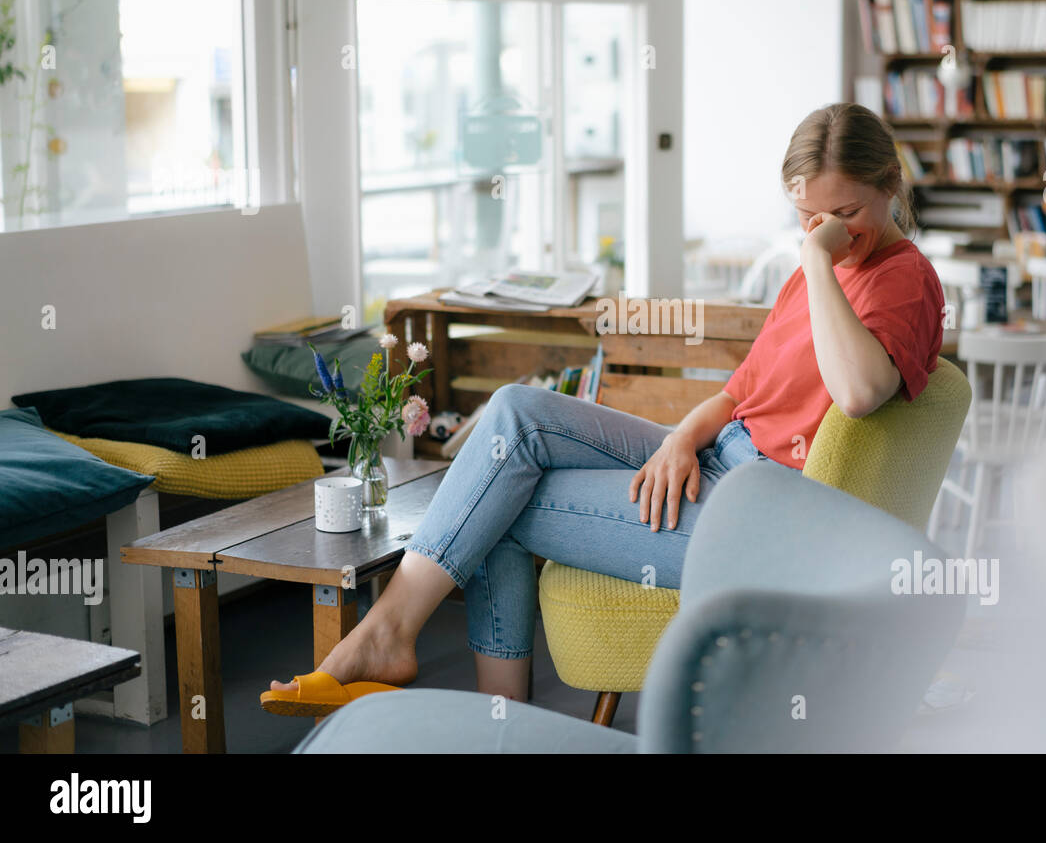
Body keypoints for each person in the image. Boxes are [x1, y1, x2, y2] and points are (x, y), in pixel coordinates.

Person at [265, 102, 944, 709]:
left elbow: (857, 393)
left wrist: (821, 262)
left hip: (761, 519)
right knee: (513, 414)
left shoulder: (901, 279)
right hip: (717, 458)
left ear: (890, 185)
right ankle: (398, 639)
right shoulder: (813, 272)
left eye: (846, 215)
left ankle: (444, 679)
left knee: (500, 500)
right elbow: (742, 392)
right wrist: (680, 438)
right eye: (808, 217)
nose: (825, 232)